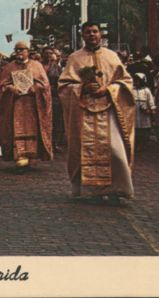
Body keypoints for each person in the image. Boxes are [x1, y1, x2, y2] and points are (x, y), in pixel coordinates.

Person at [58, 22, 135, 204]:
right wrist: (82, 87)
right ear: (82, 35)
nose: (92, 35)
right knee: (84, 149)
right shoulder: (75, 58)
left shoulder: (111, 56)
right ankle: (89, 190)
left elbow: (126, 82)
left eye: (95, 31)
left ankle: (117, 188)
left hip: (109, 110)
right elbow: (64, 86)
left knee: (115, 151)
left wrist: (108, 90)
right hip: (84, 112)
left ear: (100, 34)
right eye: (87, 32)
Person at [0, 40, 53, 171]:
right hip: (16, 104)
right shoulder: (9, 67)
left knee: (33, 128)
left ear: (28, 51)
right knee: (18, 128)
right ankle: (19, 156)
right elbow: (2, 85)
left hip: (33, 104)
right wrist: (11, 88)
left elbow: (45, 85)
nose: (19, 52)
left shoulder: (36, 66)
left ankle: (33, 155)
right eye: (17, 50)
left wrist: (36, 88)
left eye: (22, 50)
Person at [132, 73, 156, 152]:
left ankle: (144, 145)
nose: (137, 82)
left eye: (138, 80)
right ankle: (136, 144)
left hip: (144, 113)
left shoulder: (146, 90)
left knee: (144, 129)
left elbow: (151, 101)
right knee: (135, 128)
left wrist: (151, 110)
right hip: (135, 112)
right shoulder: (132, 89)